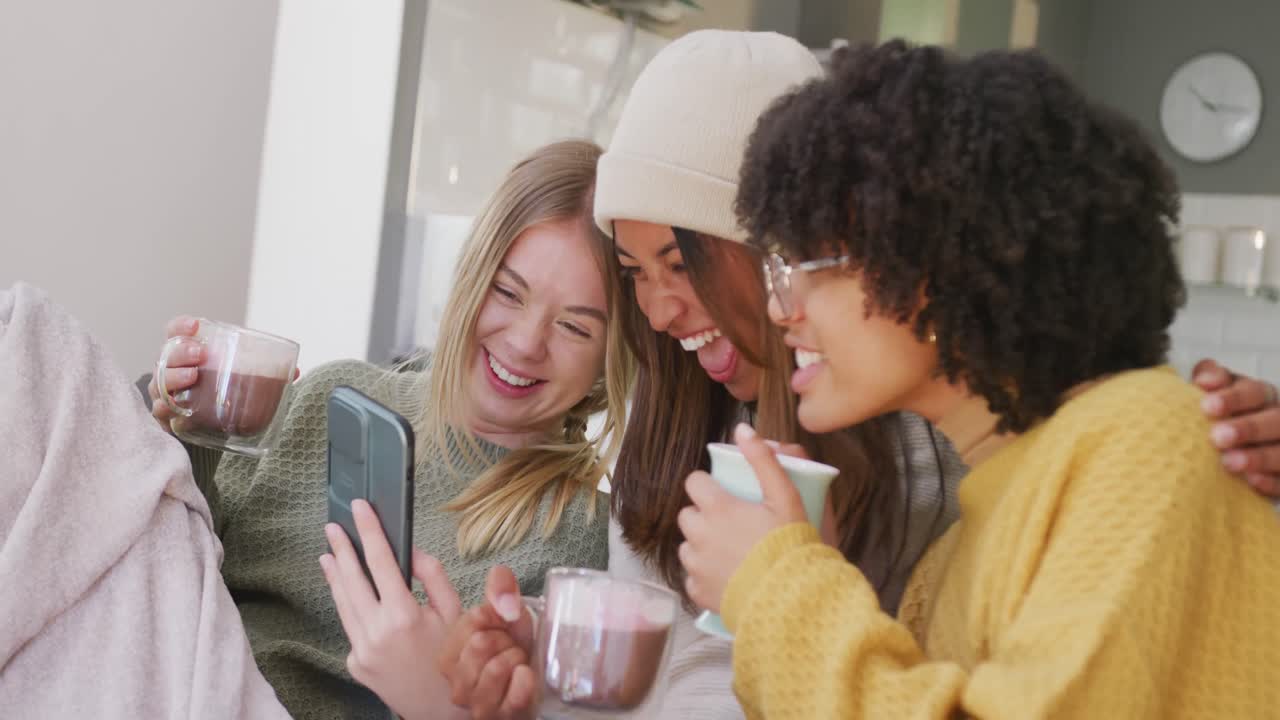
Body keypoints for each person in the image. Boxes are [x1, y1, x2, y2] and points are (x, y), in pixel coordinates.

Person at [437, 30, 1280, 720]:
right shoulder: (972, 540)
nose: (786, 304)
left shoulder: (1141, 444)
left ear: (934, 263)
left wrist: (781, 585)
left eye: (812, 264)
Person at [147, 139, 630, 719]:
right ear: (472, 274)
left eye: (575, 328)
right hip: (169, 677)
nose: (527, 344)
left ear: (609, 359)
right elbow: (176, 562)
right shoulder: (333, 394)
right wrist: (182, 438)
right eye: (507, 292)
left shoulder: (577, 538)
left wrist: (426, 691)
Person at [0, 283, 289, 717]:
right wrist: (177, 435)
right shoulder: (325, 397)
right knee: (29, 329)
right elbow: (187, 539)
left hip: (207, 674)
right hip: (171, 609)